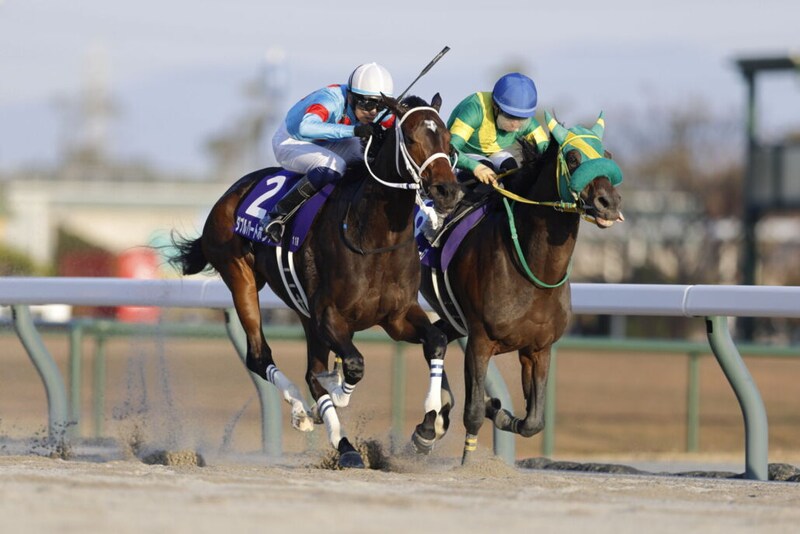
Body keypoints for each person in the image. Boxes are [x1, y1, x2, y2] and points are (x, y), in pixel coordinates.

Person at [262, 62, 395, 242]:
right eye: (368, 104)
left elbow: (398, 126)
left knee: (368, 157)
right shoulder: (330, 99)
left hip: (328, 142)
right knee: (335, 165)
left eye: (380, 107)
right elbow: (306, 127)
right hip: (292, 141)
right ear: (351, 97)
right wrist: (354, 130)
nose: (373, 112)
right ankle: (277, 215)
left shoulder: (373, 109)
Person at [447, 72, 549, 187]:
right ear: (495, 107)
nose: (515, 125)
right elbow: (449, 150)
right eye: (510, 116)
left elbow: (548, 151)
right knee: (486, 167)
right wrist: (475, 167)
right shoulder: (475, 110)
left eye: (522, 119)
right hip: (462, 156)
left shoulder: (528, 122)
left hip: (492, 155)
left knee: (511, 168)